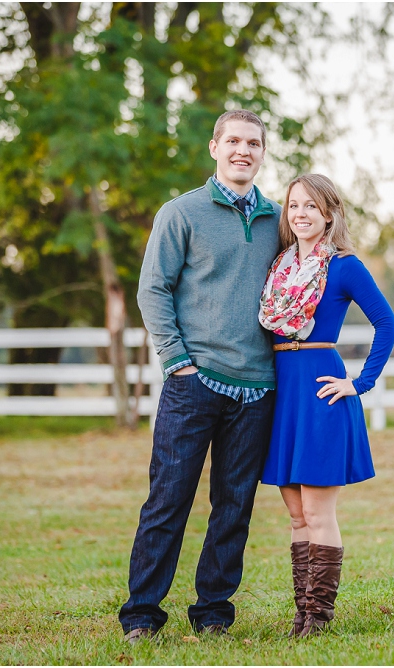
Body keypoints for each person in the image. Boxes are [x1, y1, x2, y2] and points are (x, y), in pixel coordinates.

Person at [120, 110, 282, 642]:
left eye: (253, 143)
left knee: (234, 506)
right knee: (168, 500)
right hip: (194, 383)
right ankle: (142, 615)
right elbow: (153, 290)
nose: (243, 150)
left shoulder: (277, 221)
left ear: (262, 152)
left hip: (257, 387)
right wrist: (176, 360)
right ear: (214, 147)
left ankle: (214, 612)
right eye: (233, 140)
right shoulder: (180, 212)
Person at [257, 174, 394, 637]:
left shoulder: (343, 266)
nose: (300, 214)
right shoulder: (278, 268)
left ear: (329, 214)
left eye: (311, 207)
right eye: (294, 206)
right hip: (283, 397)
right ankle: (301, 612)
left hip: (321, 393)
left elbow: (387, 324)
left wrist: (360, 383)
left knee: (319, 513)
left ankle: (318, 617)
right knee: (296, 515)